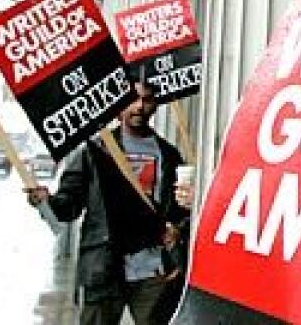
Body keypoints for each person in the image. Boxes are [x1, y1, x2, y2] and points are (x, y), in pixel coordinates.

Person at [25, 79, 187, 324]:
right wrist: (48, 201)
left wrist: (178, 232)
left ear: (156, 105)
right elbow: (69, 205)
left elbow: (181, 209)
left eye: (148, 99)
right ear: (118, 104)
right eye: (133, 99)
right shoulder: (95, 150)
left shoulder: (169, 154)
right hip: (104, 268)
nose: (139, 107)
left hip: (154, 272)